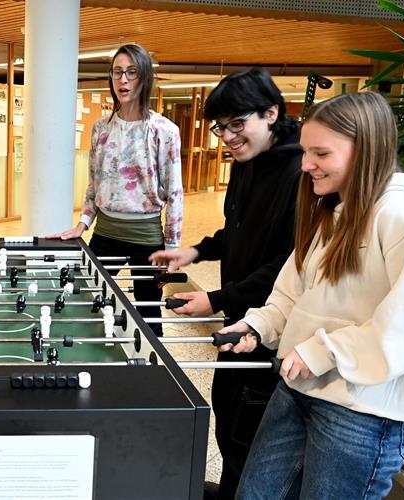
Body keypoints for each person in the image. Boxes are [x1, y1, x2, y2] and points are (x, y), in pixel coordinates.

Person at [218, 91, 404, 499]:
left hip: (362, 414)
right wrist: (258, 325)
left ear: (365, 149)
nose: (306, 163)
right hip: (298, 390)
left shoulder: (402, 216)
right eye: (307, 150)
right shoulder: (330, 208)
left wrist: (320, 353)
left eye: (321, 153)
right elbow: (294, 292)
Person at [150, 67, 302, 499]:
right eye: (222, 127)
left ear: (271, 112)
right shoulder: (246, 163)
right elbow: (235, 232)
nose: (230, 136)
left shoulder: (298, 175)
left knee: (253, 437)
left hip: (270, 330)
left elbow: (285, 266)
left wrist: (217, 298)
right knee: (228, 410)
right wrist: (194, 252)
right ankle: (233, 487)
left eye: (239, 123)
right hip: (238, 322)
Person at [48, 43, 183, 336]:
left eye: (131, 73)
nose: (123, 80)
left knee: (148, 311)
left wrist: (172, 250)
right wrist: (83, 223)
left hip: (147, 238)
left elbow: (174, 194)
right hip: (106, 234)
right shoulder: (101, 128)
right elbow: (95, 182)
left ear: (144, 77)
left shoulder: (165, 131)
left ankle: (152, 374)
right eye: (117, 73)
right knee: (86, 301)